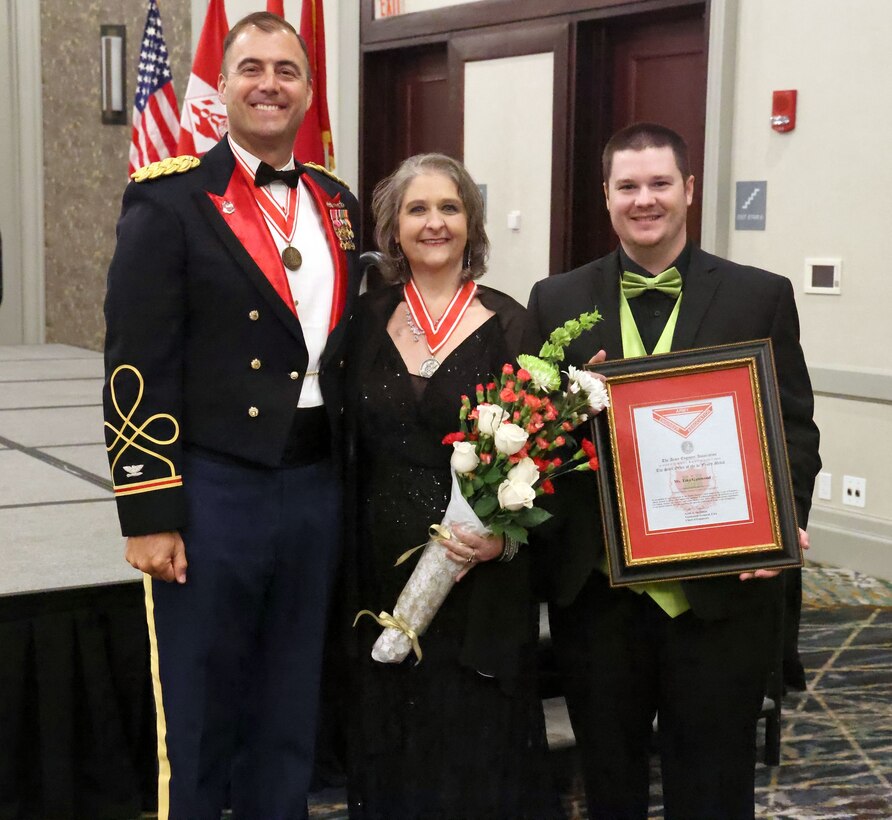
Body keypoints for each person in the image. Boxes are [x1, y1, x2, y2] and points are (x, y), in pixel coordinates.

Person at [102, 12, 361, 819]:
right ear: (223, 86)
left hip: (317, 484)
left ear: (309, 90)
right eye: (252, 68)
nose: (270, 84)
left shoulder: (338, 202)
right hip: (215, 486)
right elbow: (136, 365)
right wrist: (147, 511)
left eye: (287, 71)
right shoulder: (172, 200)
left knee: (290, 706)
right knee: (203, 707)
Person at [524, 122, 821, 819]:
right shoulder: (556, 301)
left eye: (660, 183)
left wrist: (784, 520)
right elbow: (535, 439)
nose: (644, 200)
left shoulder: (760, 295)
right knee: (609, 778)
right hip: (598, 597)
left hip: (719, 594)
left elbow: (795, 426)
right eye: (628, 186)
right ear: (606, 197)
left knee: (714, 784)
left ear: (689, 190)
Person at [344, 153, 562, 819]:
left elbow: (547, 449)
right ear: (393, 226)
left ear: (472, 224)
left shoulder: (513, 322)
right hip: (377, 562)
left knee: (474, 738)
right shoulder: (361, 320)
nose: (433, 222)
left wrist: (505, 541)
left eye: (449, 208)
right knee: (391, 728)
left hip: (480, 571)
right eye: (417, 209)